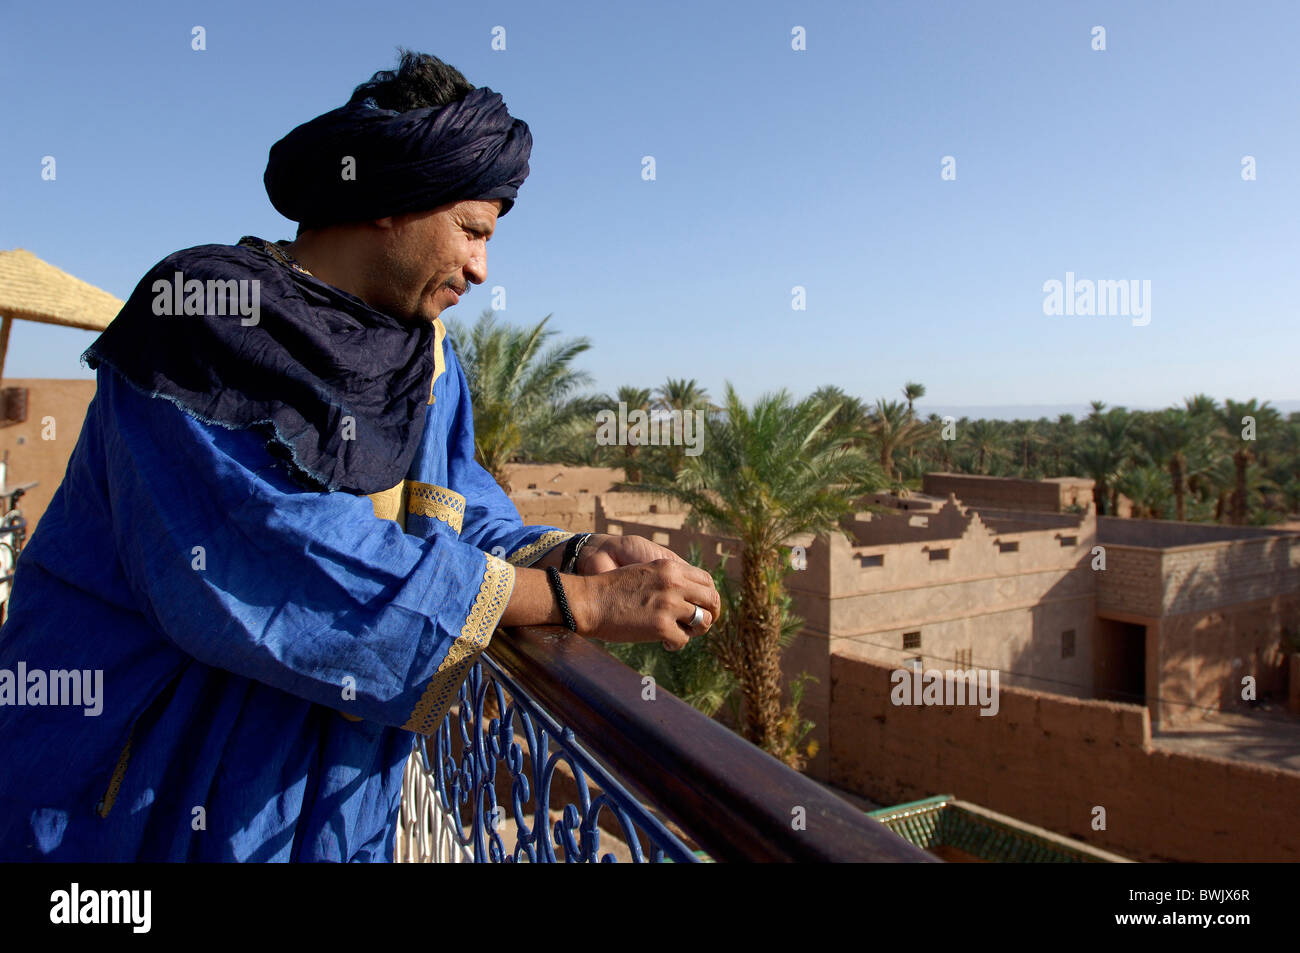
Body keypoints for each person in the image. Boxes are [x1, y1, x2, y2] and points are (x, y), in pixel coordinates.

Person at [0, 51, 719, 862]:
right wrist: (576, 604)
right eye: (473, 231)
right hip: (132, 800)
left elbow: (455, 504)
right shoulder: (200, 326)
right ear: (391, 200)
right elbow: (285, 563)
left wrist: (573, 552)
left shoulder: (428, 363)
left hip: (328, 809)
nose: (483, 268)